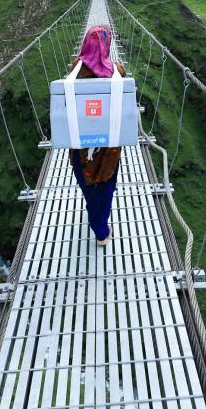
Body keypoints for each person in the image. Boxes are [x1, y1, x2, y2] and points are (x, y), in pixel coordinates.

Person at [68, 25, 125, 247]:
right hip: (109, 144)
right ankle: (101, 227)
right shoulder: (118, 72)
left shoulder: (75, 69)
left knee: (88, 182)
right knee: (106, 182)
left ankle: (98, 224)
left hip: (82, 143)